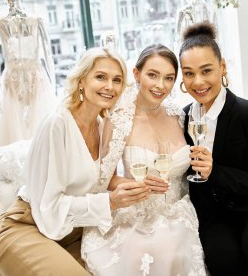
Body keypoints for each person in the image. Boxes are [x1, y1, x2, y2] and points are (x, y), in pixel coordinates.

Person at [0, 47, 150, 276]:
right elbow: (50, 206)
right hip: (29, 225)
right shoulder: (57, 124)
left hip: (74, 230)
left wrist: (136, 186)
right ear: (81, 81)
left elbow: (103, 181)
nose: (110, 86)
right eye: (100, 77)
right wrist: (110, 203)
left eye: (117, 80)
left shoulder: (102, 125)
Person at [81, 44, 209, 276]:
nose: (161, 85)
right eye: (153, 75)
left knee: (178, 247)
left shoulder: (179, 115)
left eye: (169, 78)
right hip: (138, 214)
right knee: (163, 250)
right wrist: (137, 186)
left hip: (180, 211)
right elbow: (105, 179)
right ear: (137, 74)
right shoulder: (118, 120)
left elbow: (192, 165)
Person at [179, 21, 248, 276]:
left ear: (222, 68)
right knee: (224, 260)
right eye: (188, 73)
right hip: (213, 218)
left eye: (206, 70)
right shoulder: (183, 118)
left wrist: (214, 172)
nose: (198, 82)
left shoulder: (244, 114)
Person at [0, 0, 57, 146]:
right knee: (14, 132)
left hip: (35, 75)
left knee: (41, 125)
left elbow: (48, 55)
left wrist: (53, 85)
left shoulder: (36, 21)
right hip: (11, 78)